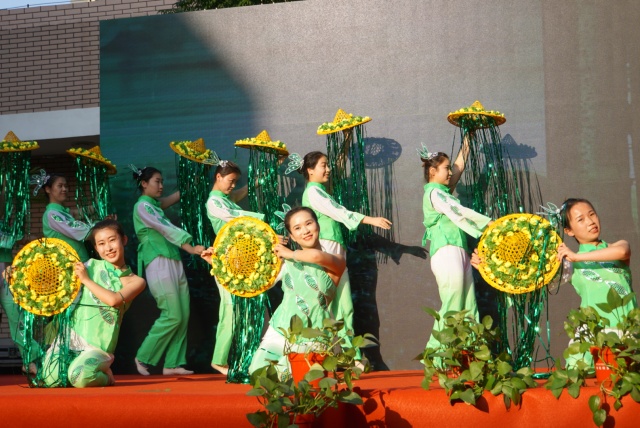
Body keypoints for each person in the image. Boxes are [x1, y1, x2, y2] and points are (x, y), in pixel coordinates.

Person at [298, 151, 391, 353]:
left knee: (344, 304)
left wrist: (346, 142)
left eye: (328, 164)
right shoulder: (314, 192)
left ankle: (350, 355)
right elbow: (338, 210)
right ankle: (318, 353)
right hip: (325, 248)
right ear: (310, 170)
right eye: (324, 165)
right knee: (326, 303)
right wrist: (369, 219)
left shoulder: (320, 190)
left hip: (335, 250)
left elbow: (335, 185)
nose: (328, 169)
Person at [237, 206, 346, 376]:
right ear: (292, 236)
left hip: (313, 335)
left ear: (317, 224)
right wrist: (218, 262)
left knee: (292, 377)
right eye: (297, 228)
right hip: (281, 329)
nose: (305, 231)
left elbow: (316, 256)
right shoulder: (287, 262)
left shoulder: (336, 260)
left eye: (308, 223)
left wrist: (289, 253)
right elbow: (256, 283)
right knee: (257, 373)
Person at [42, 219, 146, 387]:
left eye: (112, 240)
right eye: (101, 243)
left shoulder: (135, 281)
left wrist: (86, 280)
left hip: (98, 345)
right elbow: (54, 275)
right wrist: (19, 273)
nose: (108, 248)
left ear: (124, 240)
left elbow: (113, 300)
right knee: (50, 379)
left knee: (79, 377)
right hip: (71, 336)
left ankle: (107, 377)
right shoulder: (89, 265)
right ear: (96, 248)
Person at [131, 166, 205, 376]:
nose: (161, 186)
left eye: (162, 181)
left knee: (182, 313)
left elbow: (170, 200)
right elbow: (165, 227)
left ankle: (172, 364)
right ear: (144, 184)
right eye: (157, 181)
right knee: (172, 314)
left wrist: (192, 183)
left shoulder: (153, 205)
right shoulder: (143, 206)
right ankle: (143, 356)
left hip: (172, 259)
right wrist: (191, 247)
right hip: (158, 262)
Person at [420, 135, 492, 350]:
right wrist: (488, 224)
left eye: (450, 168)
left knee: (469, 303)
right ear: (433, 172)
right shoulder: (434, 193)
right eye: (446, 168)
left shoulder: (443, 192)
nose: (450, 172)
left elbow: (459, 167)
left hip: (458, 251)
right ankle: (436, 353)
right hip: (446, 252)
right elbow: (458, 212)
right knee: (453, 302)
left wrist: (468, 139)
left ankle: (468, 352)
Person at [556, 198, 637, 367]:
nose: (590, 221)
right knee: (577, 381)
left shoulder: (618, 247)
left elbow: (623, 251)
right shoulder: (569, 264)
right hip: (592, 335)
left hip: (627, 333)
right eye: (581, 219)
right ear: (569, 231)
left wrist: (577, 257)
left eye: (592, 214)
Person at [205, 159, 266, 375]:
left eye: (235, 182)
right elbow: (236, 217)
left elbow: (240, 194)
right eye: (230, 181)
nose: (232, 186)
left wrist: (265, 173)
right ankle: (219, 359)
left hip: (238, 259)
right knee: (230, 308)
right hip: (225, 261)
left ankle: (241, 356)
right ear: (218, 177)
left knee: (240, 309)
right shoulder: (214, 201)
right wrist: (263, 223)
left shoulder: (226, 198)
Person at [39, 172, 92, 262]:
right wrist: (101, 230)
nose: (64, 189)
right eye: (60, 186)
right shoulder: (52, 214)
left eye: (66, 186)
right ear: (48, 189)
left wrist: (99, 206)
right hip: (70, 264)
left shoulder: (61, 211)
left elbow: (79, 212)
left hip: (77, 261)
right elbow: (76, 230)